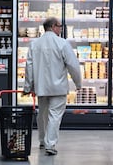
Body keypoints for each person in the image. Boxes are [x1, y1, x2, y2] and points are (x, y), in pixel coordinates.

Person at [23, 17, 82, 156]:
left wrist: (28, 86)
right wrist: (78, 83)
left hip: (41, 86)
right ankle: (50, 144)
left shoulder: (35, 44)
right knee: (54, 115)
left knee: (42, 114)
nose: (61, 29)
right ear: (54, 26)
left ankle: (43, 140)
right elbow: (73, 65)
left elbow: (29, 66)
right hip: (58, 87)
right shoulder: (62, 43)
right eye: (60, 26)